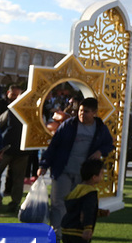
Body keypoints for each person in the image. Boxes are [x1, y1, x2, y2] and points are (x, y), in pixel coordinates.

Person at [39, 97, 114, 231]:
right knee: (58, 203)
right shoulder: (69, 125)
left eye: (86, 111)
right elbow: (54, 145)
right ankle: (56, 235)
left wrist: (99, 152)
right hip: (63, 170)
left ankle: (72, 234)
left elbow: (109, 144)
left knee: (77, 205)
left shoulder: (100, 129)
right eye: (80, 110)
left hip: (83, 175)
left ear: (94, 113)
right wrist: (44, 165)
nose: (82, 114)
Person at [0, 84, 29, 214]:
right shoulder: (32, 112)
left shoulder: (12, 109)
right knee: (18, 178)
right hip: (22, 148)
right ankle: (14, 203)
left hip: (7, 146)